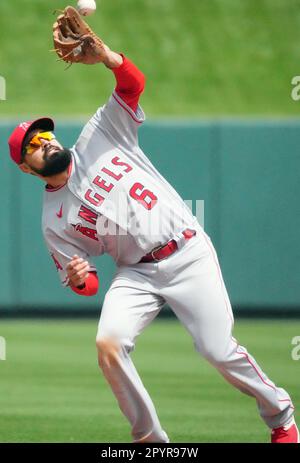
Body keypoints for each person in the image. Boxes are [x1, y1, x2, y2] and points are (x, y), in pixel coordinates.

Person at [8, 43, 299, 443]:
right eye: (33, 146)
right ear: (26, 168)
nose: (44, 142)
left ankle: (281, 417)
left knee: (217, 350)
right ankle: (151, 441)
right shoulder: (52, 221)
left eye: (45, 134)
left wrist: (108, 57)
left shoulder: (100, 135)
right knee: (108, 342)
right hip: (137, 273)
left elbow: (133, 85)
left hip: (188, 251)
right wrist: (80, 280)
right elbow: (88, 283)